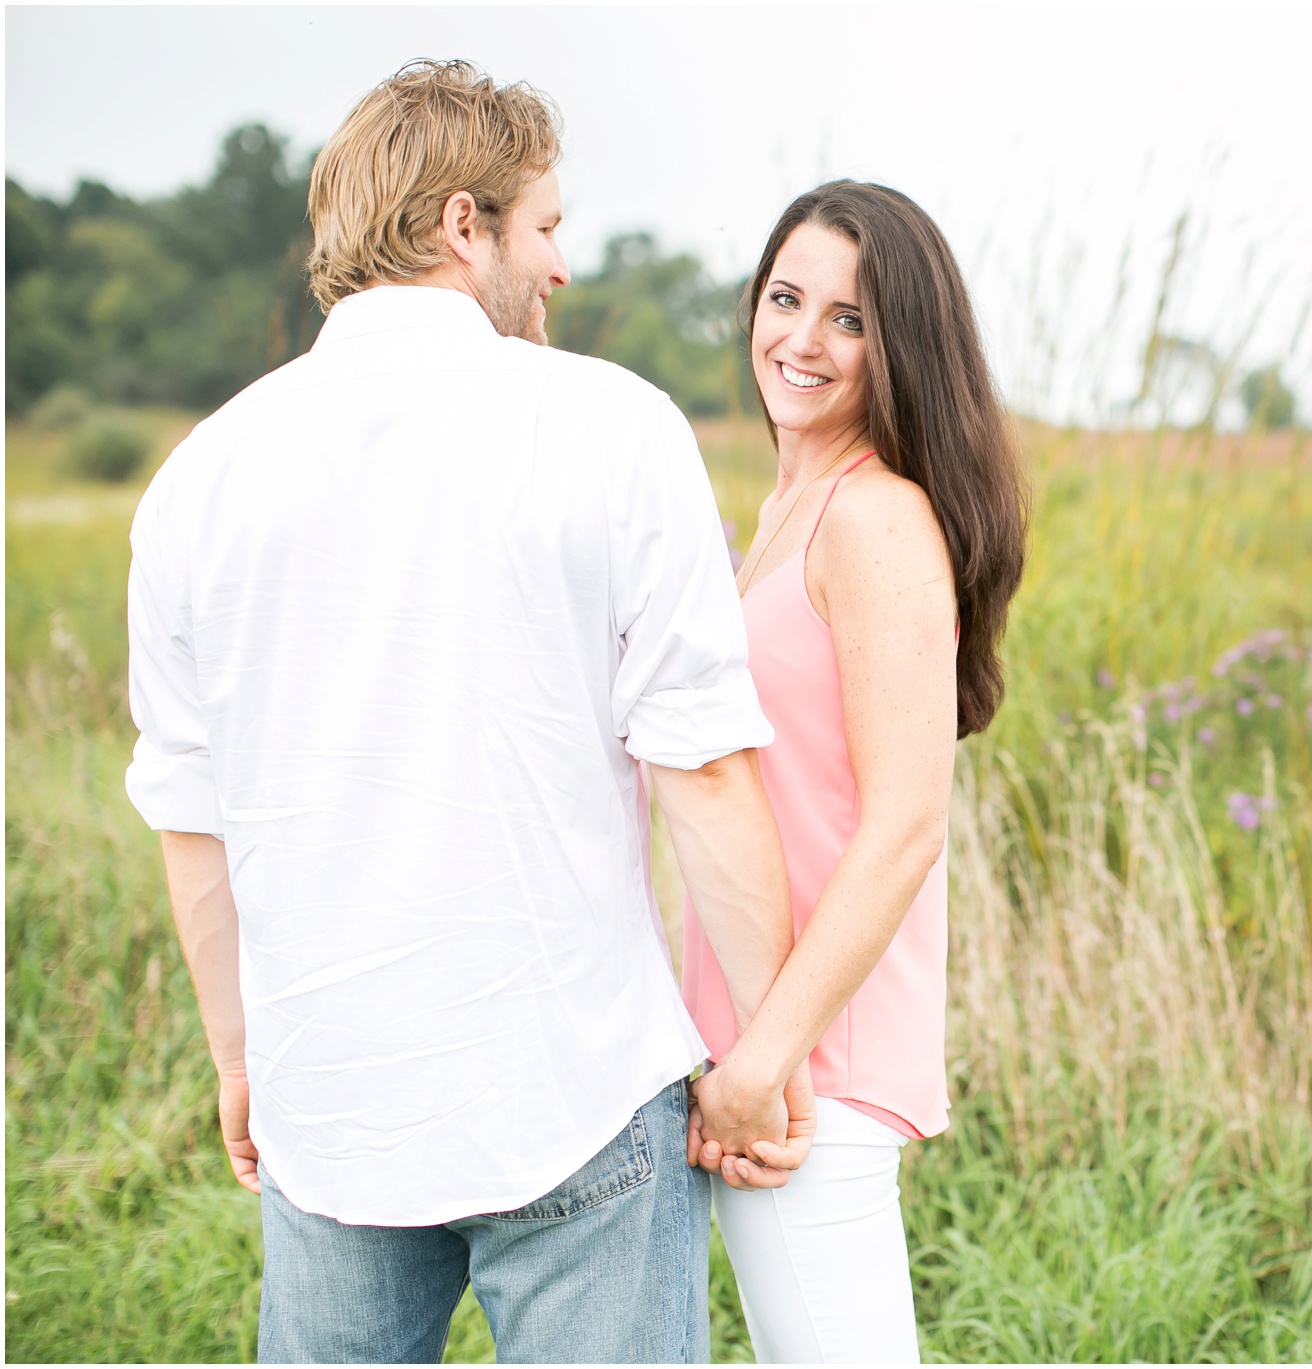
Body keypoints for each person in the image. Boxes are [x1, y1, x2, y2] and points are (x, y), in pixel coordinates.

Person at [125, 60, 806, 1364]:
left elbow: (191, 815)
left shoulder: (198, 478)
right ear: (461, 224)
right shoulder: (614, 425)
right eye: (543, 225)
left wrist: (239, 1058)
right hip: (576, 1094)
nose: (559, 265)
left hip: (332, 1110)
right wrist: (767, 1050)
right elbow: (704, 773)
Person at [675, 181, 1028, 1362]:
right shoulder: (785, 511)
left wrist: (764, 1058)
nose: (803, 339)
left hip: (804, 1072)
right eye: (786, 299)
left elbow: (904, 830)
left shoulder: (872, 518)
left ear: (902, 346)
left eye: (851, 318)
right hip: (758, 1052)